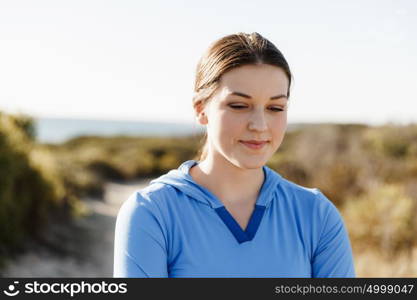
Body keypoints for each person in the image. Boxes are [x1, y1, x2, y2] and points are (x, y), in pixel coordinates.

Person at [113, 32, 356, 278]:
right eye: (239, 106)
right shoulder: (152, 212)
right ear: (201, 109)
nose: (260, 125)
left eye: (275, 108)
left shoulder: (316, 215)